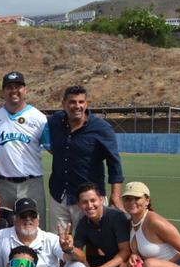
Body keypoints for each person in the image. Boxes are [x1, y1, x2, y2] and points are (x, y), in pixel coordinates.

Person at [46, 85, 123, 231]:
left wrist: (116, 195)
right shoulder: (55, 122)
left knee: (96, 245)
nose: (77, 106)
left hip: (89, 200)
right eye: (72, 102)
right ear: (64, 104)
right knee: (58, 244)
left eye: (81, 102)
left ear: (87, 104)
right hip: (59, 195)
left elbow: (114, 163)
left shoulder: (102, 128)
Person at [0, 72, 49, 224]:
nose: (14, 91)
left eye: (18, 87)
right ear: (3, 91)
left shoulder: (38, 117)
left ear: (25, 90)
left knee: (35, 227)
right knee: (2, 227)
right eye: (9, 87)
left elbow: (52, 148)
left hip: (31, 182)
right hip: (2, 183)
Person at [71, 183, 130, 267]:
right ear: (79, 204)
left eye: (93, 200)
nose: (90, 206)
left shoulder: (116, 217)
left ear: (101, 199)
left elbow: (126, 251)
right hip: (111, 262)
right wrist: (68, 248)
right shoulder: (83, 223)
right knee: (74, 265)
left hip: (132, 262)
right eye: (84, 202)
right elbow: (77, 251)